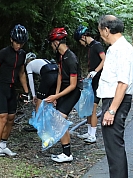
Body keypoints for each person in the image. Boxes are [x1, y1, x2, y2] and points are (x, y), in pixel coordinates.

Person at [96, 15, 133, 178]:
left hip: (116, 100)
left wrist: (112, 110)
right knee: (111, 144)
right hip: (111, 99)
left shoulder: (123, 49)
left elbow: (123, 82)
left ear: (106, 29)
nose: (100, 34)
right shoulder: (114, 49)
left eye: (100, 30)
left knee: (115, 144)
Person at [0, 24, 30, 157]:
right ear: (11, 40)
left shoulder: (22, 54)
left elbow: (21, 73)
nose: (18, 46)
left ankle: (4, 145)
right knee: (2, 118)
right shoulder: (3, 53)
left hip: (11, 88)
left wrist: (26, 92)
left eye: (21, 43)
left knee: (11, 118)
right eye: (16, 42)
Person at [44, 27, 81, 163]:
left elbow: (73, 85)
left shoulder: (71, 58)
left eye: (52, 42)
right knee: (57, 120)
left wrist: (56, 97)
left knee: (59, 119)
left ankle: (67, 154)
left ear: (56, 42)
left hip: (73, 91)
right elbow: (60, 75)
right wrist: (56, 94)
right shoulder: (60, 56)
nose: (51, 46)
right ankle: (66, 152)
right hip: (64, 90)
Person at [73, 25, 105, 144]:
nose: (80, 44)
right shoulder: (90, 47)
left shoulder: (97, 45)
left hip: (98, 81)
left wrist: (95, 71)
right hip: (92, 80)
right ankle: (88, 131)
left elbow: (104, 59)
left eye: (80, 41)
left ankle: (93, 134)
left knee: (93, 108)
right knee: (88, 106)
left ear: (83, 37)